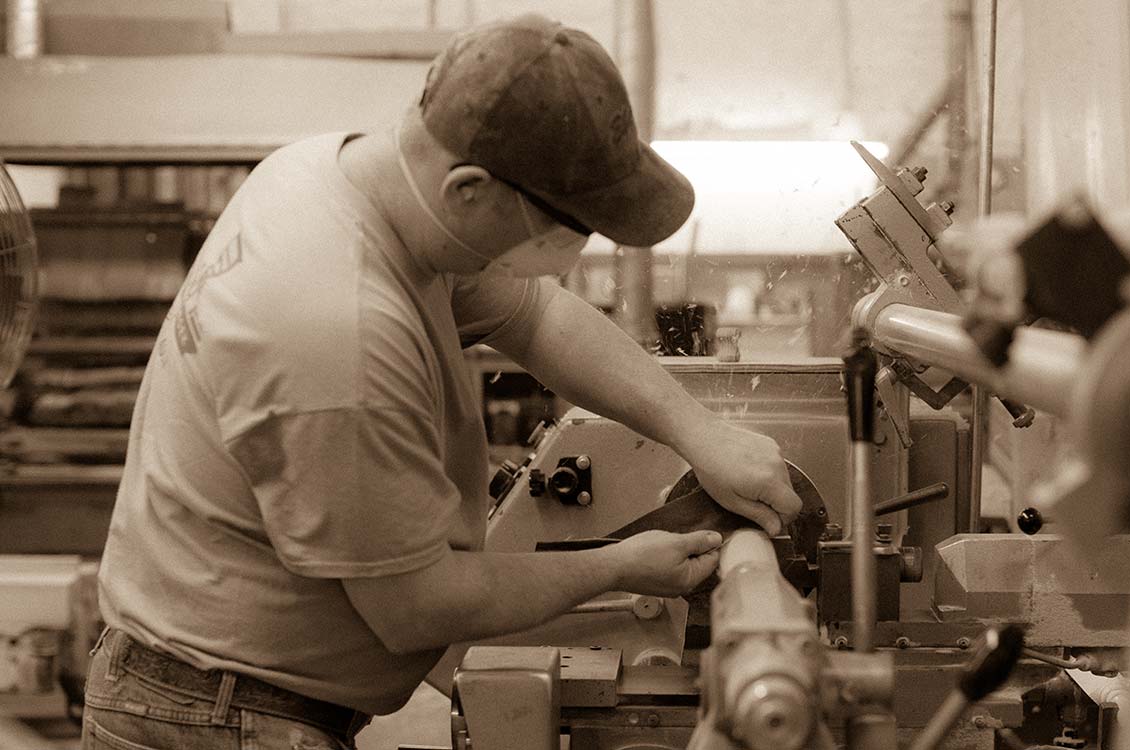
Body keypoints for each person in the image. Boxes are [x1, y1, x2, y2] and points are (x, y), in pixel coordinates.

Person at [81, 15, 802, 750]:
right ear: (468, 189)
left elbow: (539, 317)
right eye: (564, 228)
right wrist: (620, 566)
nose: (567, 253)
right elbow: (419, 606)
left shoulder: (331, 178)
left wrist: (699, 430)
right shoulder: (337, 327)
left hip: (228, 694)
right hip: (211, 718)